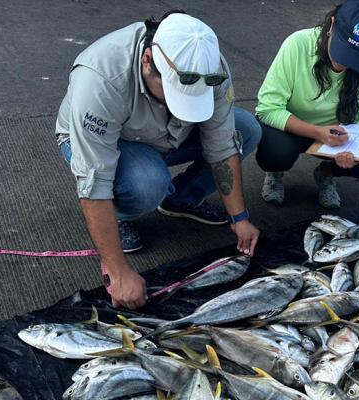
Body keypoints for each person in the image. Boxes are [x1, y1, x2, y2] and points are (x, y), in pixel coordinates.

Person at [54, 11, 262, 309]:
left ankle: (180, 200)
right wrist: (118, 270)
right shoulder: (100, 80)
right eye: (174, 92)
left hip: (167, 135)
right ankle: (122, 215)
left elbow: (222, 144)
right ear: (147, 60)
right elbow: (94, 179)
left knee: (246, 129)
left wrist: (239, 218)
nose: (182, 106)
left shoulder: (210, 64)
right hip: (107, 141)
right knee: (147, 180)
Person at [255, 0, 359, 209]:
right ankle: (275, 173)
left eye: (356, 56)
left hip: (338, 133)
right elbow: (267, 108)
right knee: (274, 154)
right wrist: (317, 132)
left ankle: (326, 174)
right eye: (343, 49)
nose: (344, 63)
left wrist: (356, 146)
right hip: (291, 125)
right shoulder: (297, 43)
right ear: (331, 26)